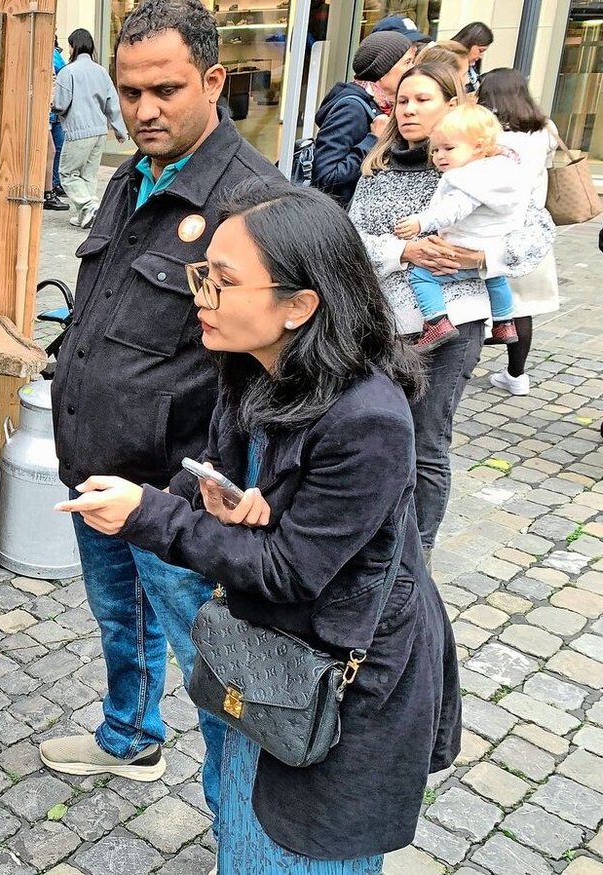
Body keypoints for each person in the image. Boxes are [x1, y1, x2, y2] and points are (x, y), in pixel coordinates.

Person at [57, 177, 461, 873]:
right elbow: (223, 459)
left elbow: (288, 570)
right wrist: (221, 489)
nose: (198, 296)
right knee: (247, 820)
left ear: (300, 305)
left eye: (222, 281)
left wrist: (151, 514)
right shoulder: (252, 362)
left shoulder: (369, 418)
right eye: (202, 273)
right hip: (270, 663)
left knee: (301, 841)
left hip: (341, 684)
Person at [45, 0, 281, 822]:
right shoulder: (132, 172)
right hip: (98, 468)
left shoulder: (254, 202)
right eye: (130, 89)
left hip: (179, 497)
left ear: (213, 80)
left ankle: (240, 827)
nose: (144, 110)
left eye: (167, 89)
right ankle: (129, 736)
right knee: (120, 620)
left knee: (218, 672)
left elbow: (283, 372)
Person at [349, 63, 551, 566]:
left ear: (452, 107)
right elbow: (349, 242)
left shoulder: (487, 166)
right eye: (403, 99)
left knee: (426, 438)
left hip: (453, 320)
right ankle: (372, 540)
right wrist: (405, 254)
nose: (410, 109)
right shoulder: (379, 167)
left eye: (423, 99)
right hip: (381, 323)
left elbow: (536, 235)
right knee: (373, 433)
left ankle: (416, 556)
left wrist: (483, 257)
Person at [392, 104, 529, 349]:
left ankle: (436, 321)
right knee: (495, 279)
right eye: (435, 150)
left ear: (478, 146)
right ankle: (504, 322)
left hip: (460, 249)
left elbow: (452, 210)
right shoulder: (505, 173)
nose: (439, 156)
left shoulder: (468, 179)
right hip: (491, 248)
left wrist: (420, 221)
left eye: (449, 149)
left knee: (421, 276)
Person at [476, 68, 559, 395]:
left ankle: (465, 367)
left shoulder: (489, 135)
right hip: (531, 228)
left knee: (474, 303)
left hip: (490, 227)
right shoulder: (546, 130)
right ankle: (517, 374)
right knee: (521, 306)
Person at [309, 31, 414, 206]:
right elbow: (325, 177)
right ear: (383, 70)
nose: (413, 69)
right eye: (407, 62)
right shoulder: (353, 109)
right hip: (342, 217)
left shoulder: (381, 104)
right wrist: (373, 140)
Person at [52, 28, 128, 229]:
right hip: (99, 131)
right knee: (88, 175)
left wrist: (51, 105)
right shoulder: (101, 71)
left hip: (78, 130)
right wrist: (120, 130)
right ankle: (84, 216)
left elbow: (60, 104)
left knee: (67, 174)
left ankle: (90, 205)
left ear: (73, 46)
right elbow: (112, 102)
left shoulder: (67, 72)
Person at [46, 41, 69, 211]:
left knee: (54, 149)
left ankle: (51, 187)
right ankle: (48, 191)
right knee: (51, 150)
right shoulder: (50, 54)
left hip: (51, 110)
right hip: (46, 110)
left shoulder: (52, 53)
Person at [451, 22, 493, 94]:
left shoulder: (473, 66)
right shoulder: (446, 62)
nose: (481, 56)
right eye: (480, 50)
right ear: (468, 43)